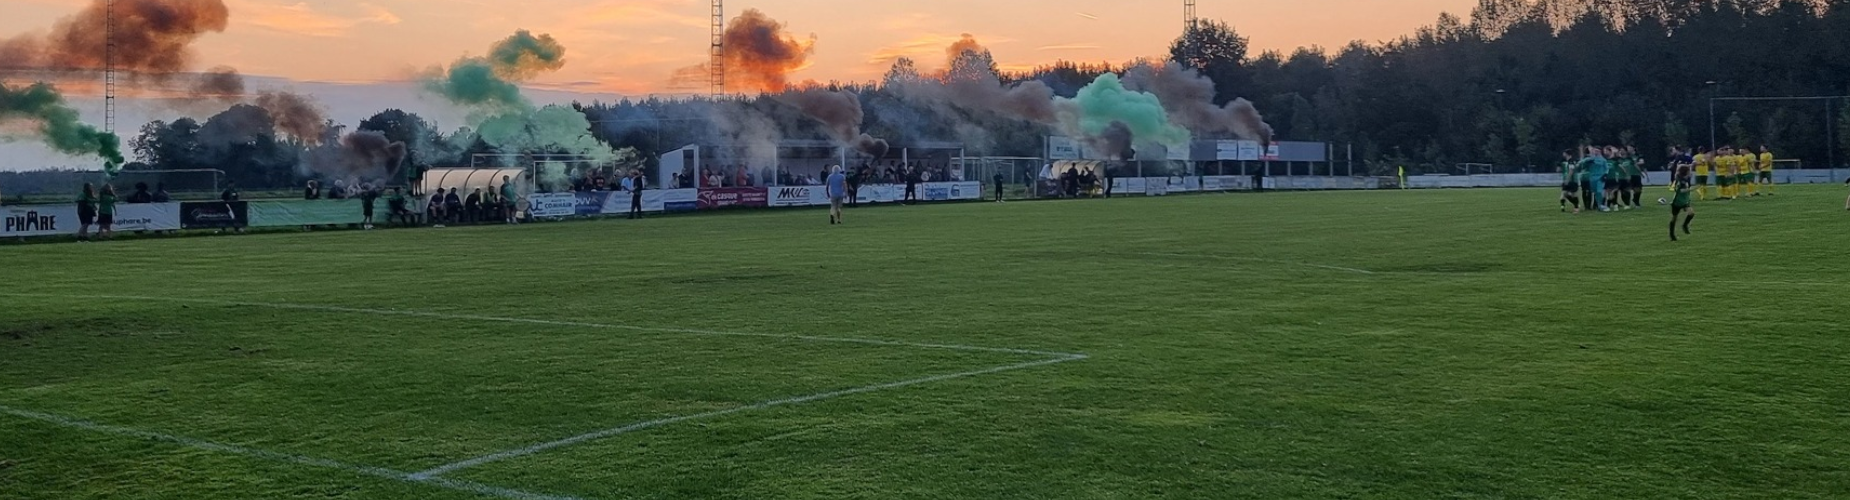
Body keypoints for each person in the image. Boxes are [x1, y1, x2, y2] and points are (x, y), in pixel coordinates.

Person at [1668, 165, 1695, 241]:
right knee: (1674, 218)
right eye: (1689, 170)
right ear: (1685, 172)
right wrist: (1692, 189)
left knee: (1691, 213)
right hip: (1677, 202)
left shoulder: (1687, 178)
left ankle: (1685, 225)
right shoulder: (1679, 180)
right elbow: (1680, 190)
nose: (1690, 172)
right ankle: (1672, 235)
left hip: (1685, 201)